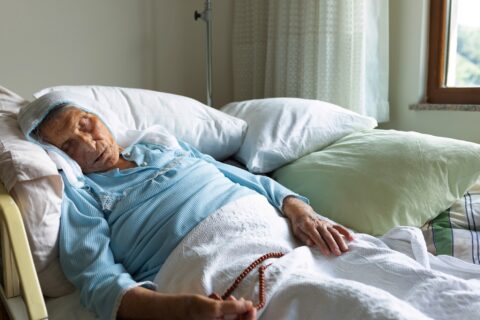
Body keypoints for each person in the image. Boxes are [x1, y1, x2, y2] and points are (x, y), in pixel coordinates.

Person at [20, 94, 353, 320]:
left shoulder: (160, 146)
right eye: (69, 144)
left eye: (86, 124)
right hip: (217, 263)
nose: (89, 143)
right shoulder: (82, 194)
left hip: (287, 235)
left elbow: (245, 178)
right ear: (60, 156)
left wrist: (299, 210)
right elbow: (99, 280)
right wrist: (182, 309)